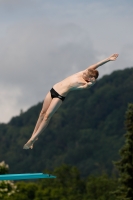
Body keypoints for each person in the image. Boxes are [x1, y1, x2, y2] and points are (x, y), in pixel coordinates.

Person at [23, 53, 119, 149]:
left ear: (88, 78)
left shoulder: (84, 83)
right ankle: (32, 137)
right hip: (53, 89)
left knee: (47, 116)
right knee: (42, 113)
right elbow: (96, 65)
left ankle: (33, 138)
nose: (83, 73)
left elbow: (88, 86)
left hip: (59, 97)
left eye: (85, 74)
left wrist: (92, 83)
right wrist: (108, 59)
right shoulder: (84, 72)